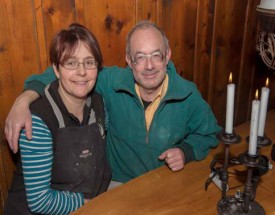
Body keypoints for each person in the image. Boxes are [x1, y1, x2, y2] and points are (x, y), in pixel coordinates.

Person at [5, 21, 221, 187]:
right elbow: (61, 74)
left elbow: (210, 133)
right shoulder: (111, 82)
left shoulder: (187, 93)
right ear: (128, 60)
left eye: (156, 55)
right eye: (140, 57)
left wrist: (186, 151)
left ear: (167, 56)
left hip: (164, 182)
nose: (149, 66)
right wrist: (23, 100)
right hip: (116, 186)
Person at [4, 23, 111, 214]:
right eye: (71, 63)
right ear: (56, 69)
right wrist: (87, 204)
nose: (82, 72)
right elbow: (40, 201)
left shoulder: (98, 103)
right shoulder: (38, 120)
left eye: (89, 62)